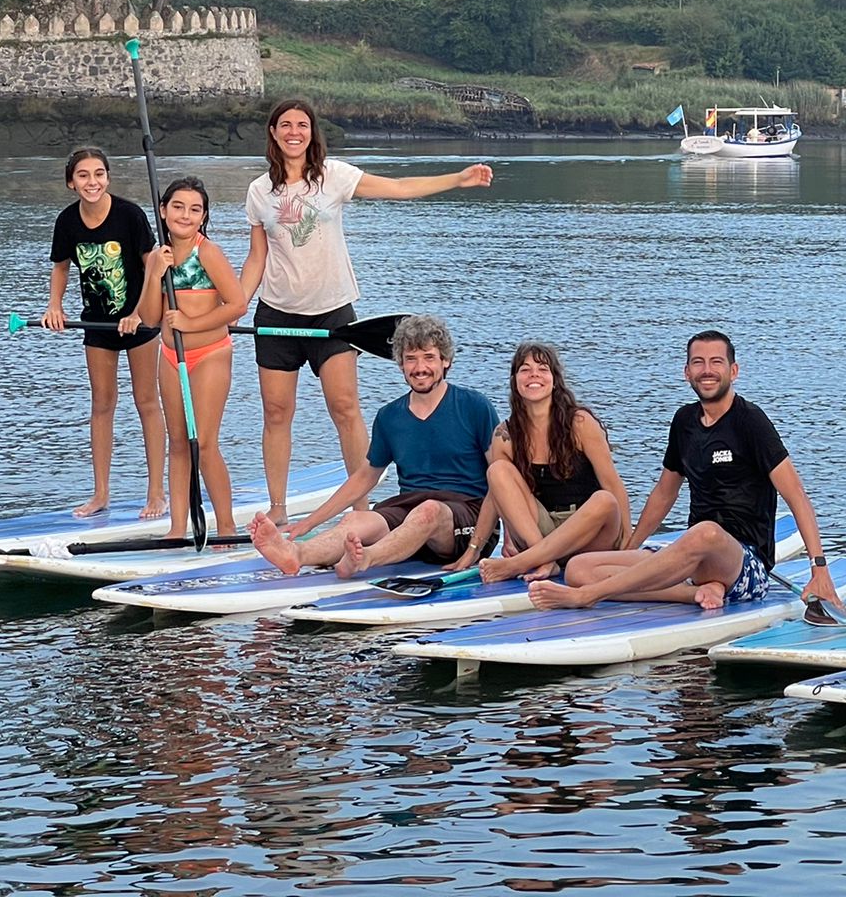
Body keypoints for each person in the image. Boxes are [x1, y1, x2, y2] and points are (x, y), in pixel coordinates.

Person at [240, 98, 493, 521]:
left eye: (301, 125)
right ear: (273, 132)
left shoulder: (334, 177)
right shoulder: (259, 191)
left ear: (311, 132)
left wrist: (458, 179)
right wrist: (237, 304)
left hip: (334, 313)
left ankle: (361, 506)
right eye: (285, 125)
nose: (293, 132)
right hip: (277, 315)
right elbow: (256, 258)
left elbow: (397, 189)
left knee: (344, 408)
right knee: (277, 413)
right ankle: (279, 508)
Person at [528, 330, 839, 612]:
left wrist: (819, 568)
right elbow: (665, 493)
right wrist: (633, 545)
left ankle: (589, 596)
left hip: (743, 562)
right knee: (579, 569)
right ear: (686, 372)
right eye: (698, 362)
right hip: (692, 556)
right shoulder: (684, 422)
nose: (707, 370)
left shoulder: (751, 422)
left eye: (716, 362)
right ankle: (692, 593)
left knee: (705, 533)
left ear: (733, 371)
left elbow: (796, 494)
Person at [249, 314, 499, 580]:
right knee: (357, 520)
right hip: (409, 512)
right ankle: (295, 554)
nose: (420, 367)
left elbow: (502, 477)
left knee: (429, 510)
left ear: (445, 361)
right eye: (411, 359)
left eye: (428, 357)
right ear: (401, 364)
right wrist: (311, 521)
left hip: (466, 516)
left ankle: (366, 558)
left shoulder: (474, 406)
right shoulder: (390, 416)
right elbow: (365, 477)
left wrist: (498, 542)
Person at [40, 145, 168, 517]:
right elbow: (62, 267)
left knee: (147, 403)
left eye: (98, 174)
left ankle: (156, 493)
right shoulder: (67, 221)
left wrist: (139, 313)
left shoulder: (129, 215)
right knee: (102, 404)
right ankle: (100, 494)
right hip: (97, 322)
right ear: (71, 182)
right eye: (83, 175)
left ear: (107, 177)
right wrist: (55, 306)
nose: (92, 181)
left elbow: (153, 267)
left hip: (139, 322)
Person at [136, 177, 248, 541]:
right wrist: (154, 274)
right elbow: (150, 318)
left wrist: (191, 322)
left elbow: (237, 306)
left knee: (206, 441)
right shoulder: (158, 255)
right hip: (170, 355)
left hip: (210, 354)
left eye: (195, 209)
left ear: (203, 217)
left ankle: (226, 526)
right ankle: (177, 527)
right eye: (178, 207)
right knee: (178, 442)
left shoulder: (208, 252)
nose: (186, 215)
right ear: (164, 211)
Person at [471, 343, 632, 584]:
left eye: (542, 368)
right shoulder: (506, 434)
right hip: (540, 531)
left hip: (587, 534)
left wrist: (629, 546)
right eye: (524, 369)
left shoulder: (580, 423)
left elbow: (614, 486)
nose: (533, 374)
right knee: (497, 470)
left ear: (554, 380)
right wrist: (473, 550)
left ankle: (524, 562)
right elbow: (497, 496)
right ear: (515, 381)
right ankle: (544, 560)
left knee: (605, 500)